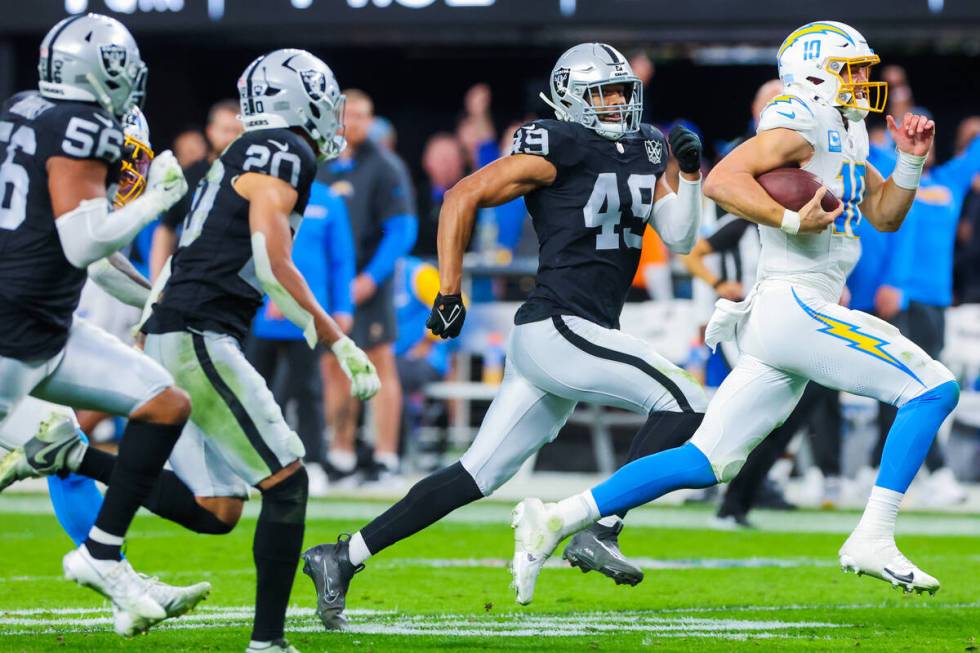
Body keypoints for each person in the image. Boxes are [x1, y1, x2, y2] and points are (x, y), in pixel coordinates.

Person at [511, 21, 958, 604]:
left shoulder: (844, 125)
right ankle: (873, 534)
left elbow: (884, 213)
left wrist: (910, 162)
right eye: (853, 69)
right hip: (795, 302)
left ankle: (556, 518)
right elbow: (722, 180)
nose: (864, 81)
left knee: (707, 460)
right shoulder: (799, 117)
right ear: (815, 73)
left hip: (789, 314)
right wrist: (792, 220)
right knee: (932, 388)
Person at [301, 42, 707, 630]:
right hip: (560, 325)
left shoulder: (645, 145)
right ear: (571, 98)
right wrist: (449, 290)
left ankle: (342, 555)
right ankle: (602, 528)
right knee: (684, 401)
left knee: (477, 475)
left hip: (571, 333)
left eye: (623, 91)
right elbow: (460, 195)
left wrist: (689, 176)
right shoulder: (558, 143)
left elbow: (679, 237)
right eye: (604, 94)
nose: (617, 103)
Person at [0, 12, 202, 627]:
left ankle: (108, 561)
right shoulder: (81, 125)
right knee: (57, 441)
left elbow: (95, 258)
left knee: (159, 404)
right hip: (11, 332)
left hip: (45, 326)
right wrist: (156, 202)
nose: (128, 168)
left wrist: (153, 299)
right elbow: (83, 245)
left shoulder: (25, 108)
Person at [318, 89, 418, 486]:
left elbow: (402, 230)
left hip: (370, 285)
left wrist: (370, 278)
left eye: (363, 115)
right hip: (331, 286)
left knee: (380, 363)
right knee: (333, 366)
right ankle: (340, 454)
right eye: (349, 115)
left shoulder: (386, 166)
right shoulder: (322, 166)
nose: (355, 123)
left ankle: (385, 457)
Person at [248, 180, 356, 496]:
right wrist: (272, 300)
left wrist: (343, 307)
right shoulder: (262, 192)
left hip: (308, 313)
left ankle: (315, 463)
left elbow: (341, 259)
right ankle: (253, 460)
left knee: (309, 391)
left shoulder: (328, 200)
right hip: (261, 314)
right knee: (254, 390)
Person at [148, 99, 243, 280]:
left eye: (238, 132)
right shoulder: (188, 176)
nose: (231, 137)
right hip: (187, 278)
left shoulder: (252, 179)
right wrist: (156, 283)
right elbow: (166, 229)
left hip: (234, 281)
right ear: (210, 131)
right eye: (226, 130)